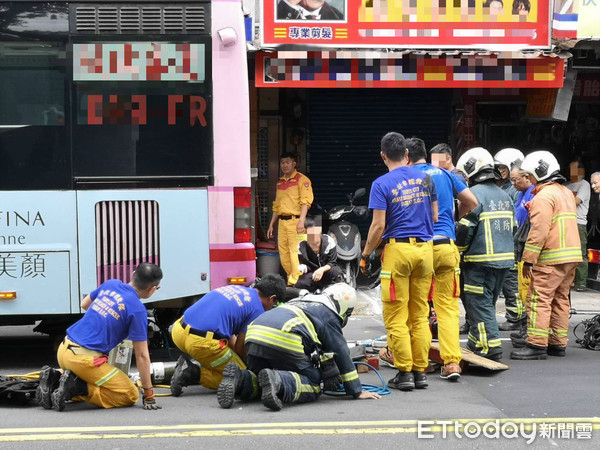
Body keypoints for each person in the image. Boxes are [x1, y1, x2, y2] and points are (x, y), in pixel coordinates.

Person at [216, 284, 380, 410]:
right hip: (284, 336)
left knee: (260, 377)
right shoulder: (328, 313)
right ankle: (279, 380)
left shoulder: (302, 301)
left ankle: (239, 379)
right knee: (314, 383)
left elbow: (314, 343)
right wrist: (356, 390)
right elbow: (340, 351)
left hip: (254, 335)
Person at [361, 132, 438, 391]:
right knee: (420, 314)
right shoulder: (426, 178)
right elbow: (435, 216)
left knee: (396, 314)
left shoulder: (381, 184)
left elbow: (378, 226)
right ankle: (420, 371)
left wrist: (365, 254)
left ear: (383, 155)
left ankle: (404, 372)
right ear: (406, 154)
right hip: (426, 252)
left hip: (399, 252)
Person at [37, 263, 164, 411]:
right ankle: (77, 388)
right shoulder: (138, 310)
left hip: (64, 350)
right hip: (84, 361)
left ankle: (55, 381)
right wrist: (149, 394)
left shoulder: (111, 284)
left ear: (133, 273)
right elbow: (142, 355)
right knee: (130, 394)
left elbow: (84, 304)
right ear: (153, 288)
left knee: (103, 379)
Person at [406, 138, 478, 381]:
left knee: (418, 306)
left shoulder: (405, 176)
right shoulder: (447, 174)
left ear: (406, 155)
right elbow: (472, 202)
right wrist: (456, 218)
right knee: (447, 306)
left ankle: (420, 361)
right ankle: (452, 363)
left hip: (421, 247)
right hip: (447, 245)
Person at [510, 152, 582, 360]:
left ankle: (536, 344)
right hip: (571, 255)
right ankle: (558, 343)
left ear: (538, 174)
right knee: (560, 298)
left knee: (539, 299)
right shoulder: (566, 193)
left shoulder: (543, 196)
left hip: (551, 257)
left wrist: (528, 260)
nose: (529, 180)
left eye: (529, 175)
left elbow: (538, 231)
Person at [168, 274, 286, 397]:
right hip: (200, 343)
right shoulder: (258, 310)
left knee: (227, 355)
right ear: (272, 298)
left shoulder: (237, 289)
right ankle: (191, 372)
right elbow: (241, 348)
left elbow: (229, 335)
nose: (272, 308)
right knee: (243, 378)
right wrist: (250, 367)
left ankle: (195, 366)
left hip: (178, 331)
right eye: (274, 304)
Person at [455, 147, 515, 361]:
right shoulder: (505, 196)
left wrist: (457, 253)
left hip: (479, 263)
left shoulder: (473, 196)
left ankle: (490, 347)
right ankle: (476, 342)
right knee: (487, 304)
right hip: (504, 262)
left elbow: (464, 231)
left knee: (478, 305)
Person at [268, 152, 314, 286]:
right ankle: (291, 280)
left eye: (288, 162)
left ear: (294, 164)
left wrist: (301, 221)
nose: (285, 165)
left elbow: (305, 202)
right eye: (282, 163)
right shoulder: (280, 182)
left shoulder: (302, 180)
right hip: (282, 222)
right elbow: (277, 206)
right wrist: (271, 224)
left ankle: (297, 282)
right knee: (284, 253)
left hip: (296, 221)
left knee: (296, 252)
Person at [508, 161, 535, 339]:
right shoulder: (521, 193)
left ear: (526, 177)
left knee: (528, 286)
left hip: (529, 245)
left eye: (516, 179)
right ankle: (525, 326)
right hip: (521, 244)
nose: (513, 184)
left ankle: (529, 329)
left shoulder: (534, 192)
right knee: (522, 286)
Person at [295, 216, 343, 291]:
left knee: (336, 272)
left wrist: (321, 270)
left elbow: (332, 262)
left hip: (327, 271)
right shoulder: (301, 246)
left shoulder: (329, 241)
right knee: (300, 283)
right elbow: (306, 266)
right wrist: (304, 267)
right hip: (313, 274)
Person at [566, 160, 590, 292]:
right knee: (567, 254)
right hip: (565, 222)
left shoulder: (584, 184)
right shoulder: (566, 185)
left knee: (580, 253)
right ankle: (570, 280)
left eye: (575, 169)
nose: (572, 172)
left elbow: (576, 201)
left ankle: (581, 282)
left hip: (579, 223)